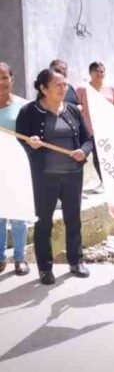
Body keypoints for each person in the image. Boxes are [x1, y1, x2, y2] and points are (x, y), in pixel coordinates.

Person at [16, 69, 93, 284]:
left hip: (72, 175)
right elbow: (19, 143)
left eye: (65, 84)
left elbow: (88, 140)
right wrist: (30, 143)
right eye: (58, 84)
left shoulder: (73, 111)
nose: (64, 88)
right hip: (44, 178)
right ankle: (45, 267)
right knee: (43, 222)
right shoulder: (29, 112)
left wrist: (83, 152)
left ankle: (76, 261)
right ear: (43, 88)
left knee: (73, 220)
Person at [0, 62, 30, 275]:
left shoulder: (24, 106)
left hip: (17, 167)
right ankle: (0, 258)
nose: (1, 82)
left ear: (12, 79)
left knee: (18, 215)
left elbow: (32, 135)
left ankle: (20, 257)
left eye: (4, 77)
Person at [76, 61, 114, 192]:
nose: (99, 74)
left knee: (102, 157)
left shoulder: (112, 89)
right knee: (80, 156)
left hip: (107, 130)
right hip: (87, 129)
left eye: (102, 71)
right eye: (96, 71)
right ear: (90, 73)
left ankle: (105, 183)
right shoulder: (82, 89)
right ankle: (77, 186)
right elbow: (76, 107)